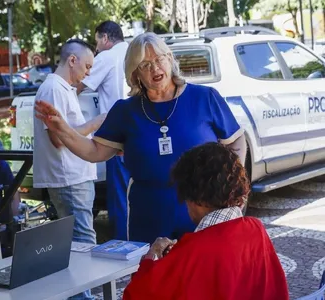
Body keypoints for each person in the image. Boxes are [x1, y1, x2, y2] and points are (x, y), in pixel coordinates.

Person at [35, 32, 246, 244]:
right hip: (148, 217)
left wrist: (231, 192)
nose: (155, 68)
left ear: (170, 59)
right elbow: (93, 151)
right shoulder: (125, 111)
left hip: (203, 215)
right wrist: (62, 128)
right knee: (152, 275)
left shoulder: (204, 98)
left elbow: (236, 140)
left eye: (159, 59)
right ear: (135, 74)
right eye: (144, 65)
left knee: (203, 275)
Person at [123, 143, 289, 300]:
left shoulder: (190, 252)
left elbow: (136, 295)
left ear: (196, 198)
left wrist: (152, 257)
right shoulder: (256, 229)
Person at [33, 39, 105, 300]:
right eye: (87, 66)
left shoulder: (61, 88)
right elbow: (58, 138)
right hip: (69, 178)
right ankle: (82, 296)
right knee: (83, 242)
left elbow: (65, 133)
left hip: (74, 176)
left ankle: (81, 295)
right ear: (72, 60)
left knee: (79, 241)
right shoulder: (54, 88)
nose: (88, 73)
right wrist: (95, 123)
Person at [77, 21, 130, 240]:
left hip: (116, 138)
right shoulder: (133, 51)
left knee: (119, 197)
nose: (96, 47)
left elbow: (78, 85)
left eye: (97, 41)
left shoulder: (107, 57)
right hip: (144, 132)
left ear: (106, 38)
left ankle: (124, 248)